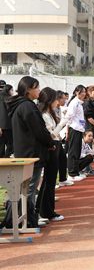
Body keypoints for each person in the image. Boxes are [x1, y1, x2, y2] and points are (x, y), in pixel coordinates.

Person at [5, 76, 56, 227]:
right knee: (29, 189)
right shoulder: (27, 106)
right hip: (31, 154)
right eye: (37, 87)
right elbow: (39, 130)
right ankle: (26, 220)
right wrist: (50, 142)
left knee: (27, 188)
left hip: (25, 152)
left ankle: (28, 219)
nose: (39, 90)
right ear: (29, 90)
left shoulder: (20, 105)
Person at [36, 87, 65, 222]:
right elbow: (50, 135)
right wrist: (62, 125)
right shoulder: (44, 115)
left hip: (55, 145)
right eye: (55, 99)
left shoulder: (50, 113)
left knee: (51, 180)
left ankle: (46, 210)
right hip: (51, 147)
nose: (58, 101)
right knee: (49, 180)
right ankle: (46, 211)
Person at [65, 85, 87, 181]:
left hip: (79, 129)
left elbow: (80, 118)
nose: (84, 94)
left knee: (77, 151)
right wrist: (67, 131)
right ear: (76, 92)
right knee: (73, 151)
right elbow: (69, 117)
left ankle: (76, 171)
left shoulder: (80, 103)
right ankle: (72, 173)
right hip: (74, 129)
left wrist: (83, 128)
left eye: (85, 92)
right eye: (82, 92)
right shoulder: (74, 103)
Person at [0, 83, 14, 157]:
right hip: (9, 125)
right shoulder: (9, 99)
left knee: (1, 143)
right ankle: (6, 157)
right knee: (10, 143)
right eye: (11, 90)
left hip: (2, 125)